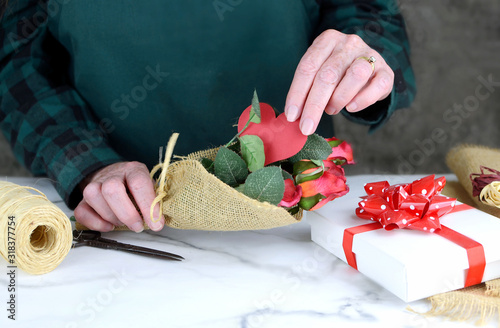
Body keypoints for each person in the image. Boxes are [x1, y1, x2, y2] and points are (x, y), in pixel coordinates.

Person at [0, 0, 415, 232]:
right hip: (128, 220)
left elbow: (366, 11)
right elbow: (18, 62)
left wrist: (362, 60)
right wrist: (85, 164)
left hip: (296, 223)